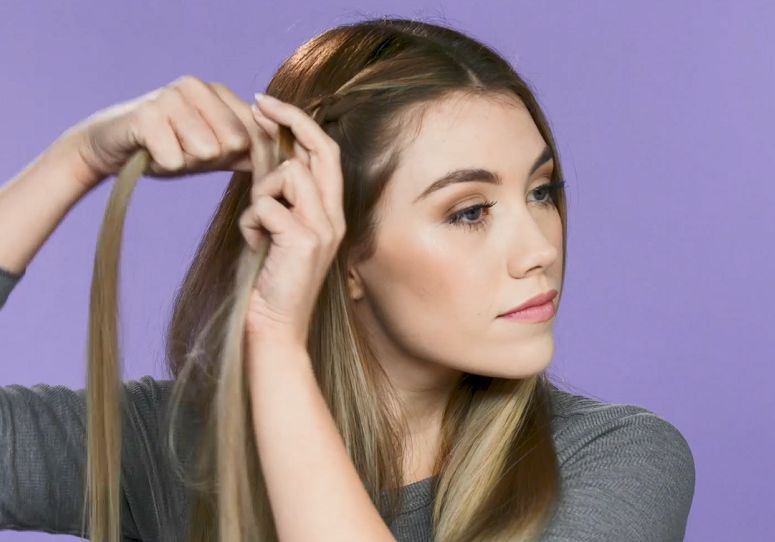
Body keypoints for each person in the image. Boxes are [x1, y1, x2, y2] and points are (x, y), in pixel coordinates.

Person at [0, 16, 695, 542]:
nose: (538, 247)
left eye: (541, 191)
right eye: (470, 211)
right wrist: (77, 158)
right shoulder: (172, 449)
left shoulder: (615, 464)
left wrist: (275, 345)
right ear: (344, 253)